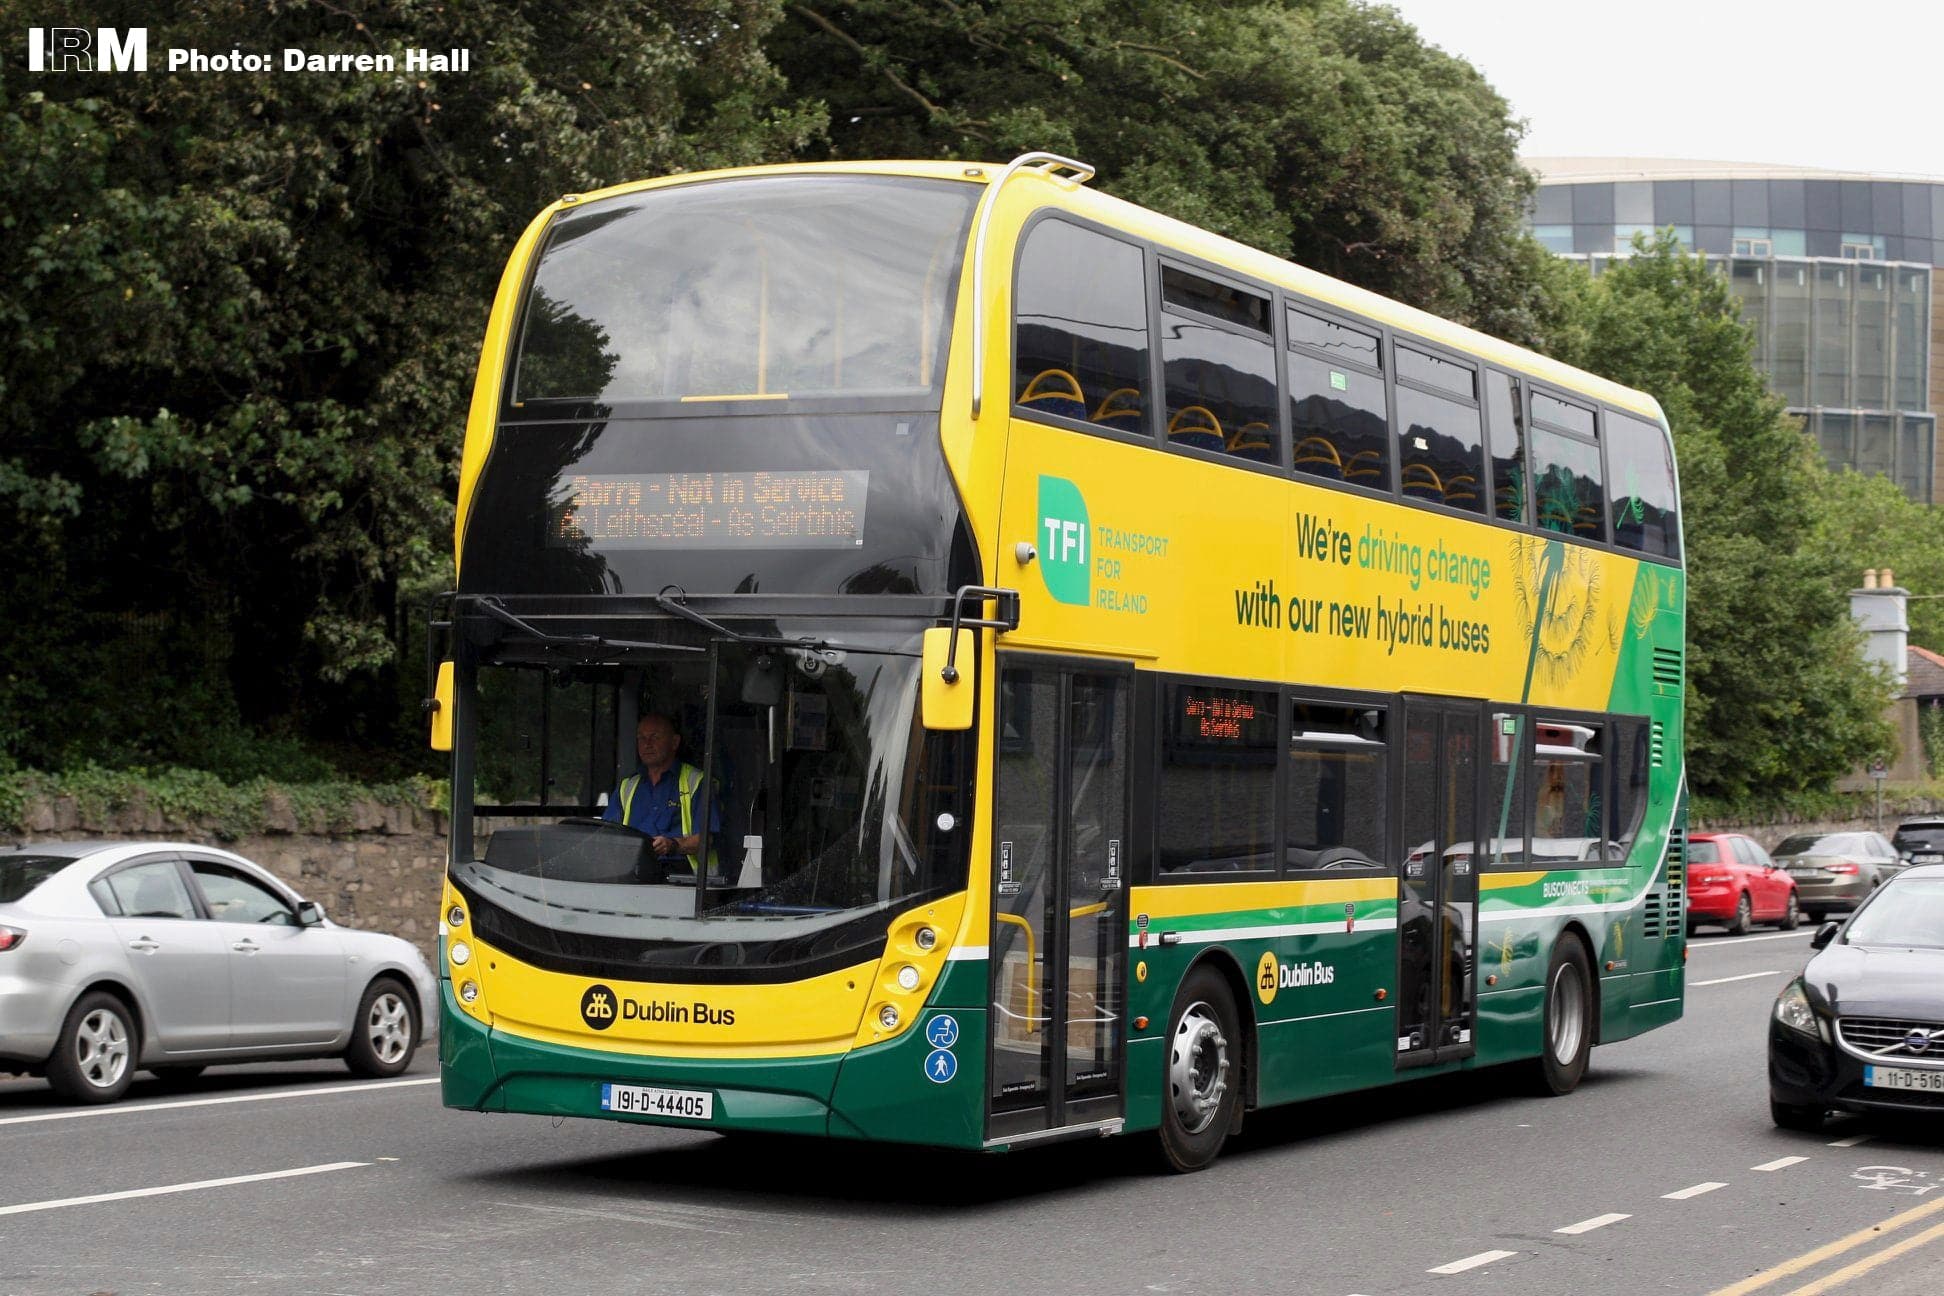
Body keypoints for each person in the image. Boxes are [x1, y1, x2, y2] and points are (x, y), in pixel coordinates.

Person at [603, 712, 720, 875]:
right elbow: (606, 835)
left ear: (674, 742)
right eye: (641, 738)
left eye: (655, 737)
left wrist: (673, 845)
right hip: (632, 876)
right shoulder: (627, 786)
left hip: (684, 882)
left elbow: (706, 839)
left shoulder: (697, 782)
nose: (647, 744)